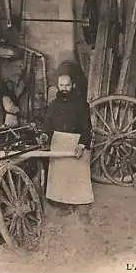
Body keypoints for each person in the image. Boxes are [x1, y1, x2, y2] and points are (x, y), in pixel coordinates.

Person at [43, 72, 93, 222]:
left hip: (75, 143)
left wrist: (82, 144)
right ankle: (64, 205)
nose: (64, 88)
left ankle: (82, 208)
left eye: (67, 85)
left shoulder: (82, 104)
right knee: (61, 177)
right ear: (58, 86)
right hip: (58, 143)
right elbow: (47, 125)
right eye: (61, 85)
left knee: (78, 177)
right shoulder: (53, 105)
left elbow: (87, 127)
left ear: (73, 86)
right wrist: (45, 135)